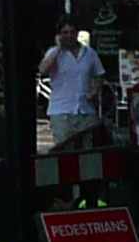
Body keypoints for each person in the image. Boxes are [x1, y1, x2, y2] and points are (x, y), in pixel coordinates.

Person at [39, 21, 107, 150]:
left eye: (72, 32)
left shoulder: (89, 53)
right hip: (62, 110)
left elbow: (99, 74)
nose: (69, 36)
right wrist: (58, 48)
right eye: (65, 33)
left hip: (85, 110)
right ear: (59, 35)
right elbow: (43, 69)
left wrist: (94, 91)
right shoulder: (54, 53)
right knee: (64, 149)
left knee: (90, 148)